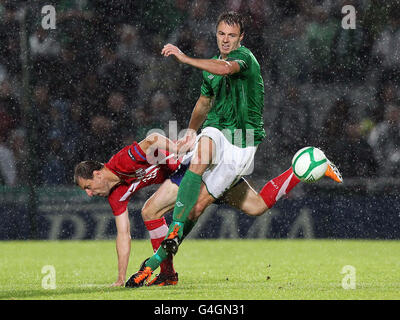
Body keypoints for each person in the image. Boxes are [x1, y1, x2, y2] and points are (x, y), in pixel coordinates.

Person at [126, 11, 343, 288]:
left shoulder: (245, 59)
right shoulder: (212, 67)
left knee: (252, 207)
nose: (225, 40)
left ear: (241, 38)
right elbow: (205, 103)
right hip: (217, 131)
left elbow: (226, 69)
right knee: (201, 152)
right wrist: (191, 131)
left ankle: (301, 170)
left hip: (242, 141)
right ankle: (170, 245)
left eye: (231, 35)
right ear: (216, 34)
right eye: (221, 34)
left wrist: (184, 58)